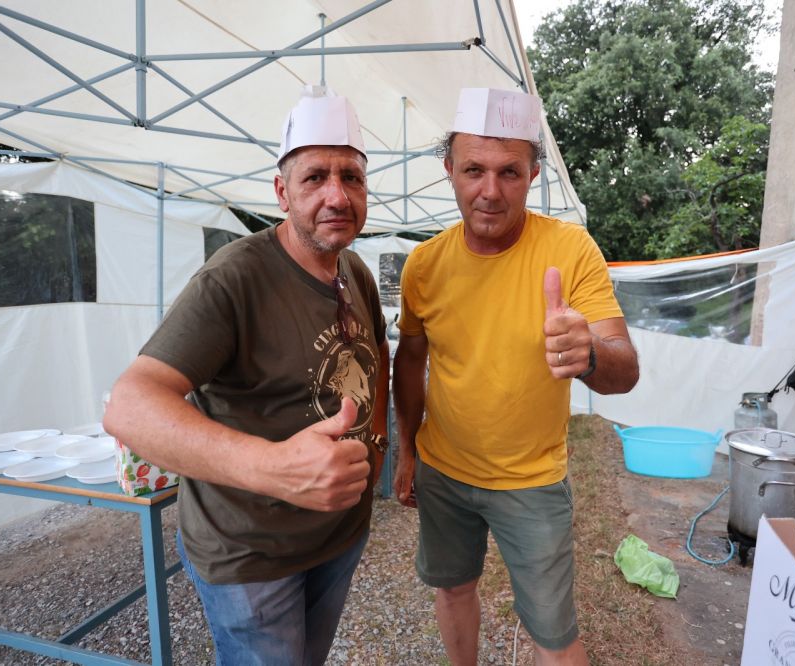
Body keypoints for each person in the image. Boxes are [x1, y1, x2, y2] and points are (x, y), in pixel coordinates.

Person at [103, 86, 389, 666]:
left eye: (351, 177)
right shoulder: (233, 278)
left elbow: (377, 353)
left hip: (337, 535)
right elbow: (129, 406)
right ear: (282, 192)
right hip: (251, 556)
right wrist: (274, 468)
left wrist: (377, 442)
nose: (337, 195)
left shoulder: (354, 269)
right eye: (315, 178)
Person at [392, 88, 640, 665]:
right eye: (473, 170)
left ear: (532, 174)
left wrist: (590, 353)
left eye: (509, 172)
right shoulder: (424, 264)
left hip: (532, 480)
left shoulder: (570, 249)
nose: (490, 190)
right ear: (449, 170)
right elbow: (410, 359)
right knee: (453, 588)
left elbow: (624, 368)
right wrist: (407, 450)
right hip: (443, 469)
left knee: (553, 632)